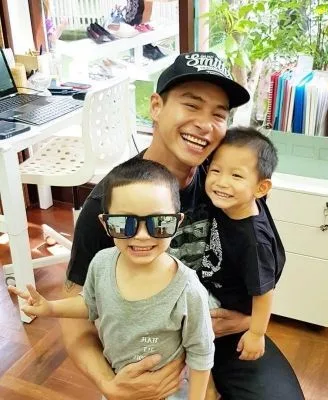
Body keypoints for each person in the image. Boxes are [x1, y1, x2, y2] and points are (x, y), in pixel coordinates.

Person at [64, 51, 304, 399]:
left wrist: (249, 322)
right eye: (192, 105)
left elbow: (263, 267)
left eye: (218, 114)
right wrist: (108, 384)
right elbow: (75, 316)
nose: (205, 124)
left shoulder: (226, 183)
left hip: (224, 335)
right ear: (156, 107)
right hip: (152, 345)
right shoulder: (111, 203)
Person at [9, 159, 214, 400]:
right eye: (123, 223)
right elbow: (90, 303)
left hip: (168, 392)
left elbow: (201, 353)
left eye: (159, 223)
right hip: (119, 383)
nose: (141, 236)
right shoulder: (102, 263)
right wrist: (50, 308)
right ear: (105, 224)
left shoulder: (187, 289)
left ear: (177, 222)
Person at [200, 127, 284, 398]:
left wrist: (256, 333)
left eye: (236, 176)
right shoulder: (230, 203)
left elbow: (264, 292)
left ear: (261, 188)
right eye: (215, 170)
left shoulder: (253, 242)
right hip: (217, 287)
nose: (221, 182)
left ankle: (204, 386)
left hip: (230, 306)